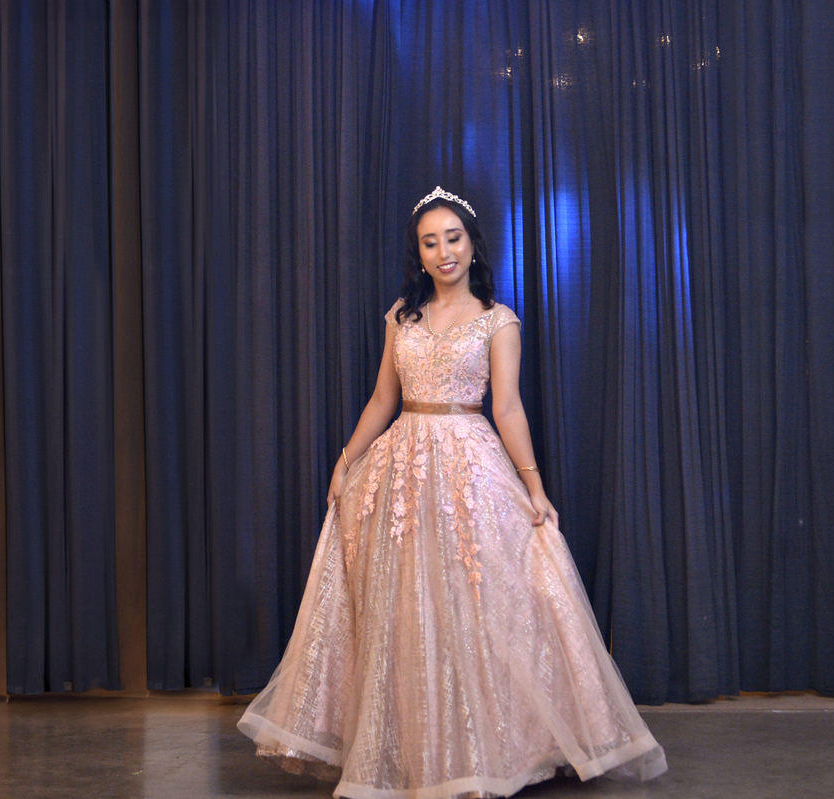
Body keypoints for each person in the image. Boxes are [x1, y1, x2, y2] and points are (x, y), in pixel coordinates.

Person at [237, 187, 667, 799]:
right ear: (418, 253)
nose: (444, 252)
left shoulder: (498, 320)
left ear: (472, 244)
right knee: (404, 608)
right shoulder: (402, 317)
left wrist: (534, 486)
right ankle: (412, 750)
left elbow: (508, 407)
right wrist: (345, 461)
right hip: (403, 467)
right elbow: (383, 398)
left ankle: (486, 749)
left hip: (469, 465)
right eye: (430, 242)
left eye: (453, 238)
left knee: (478, 603)